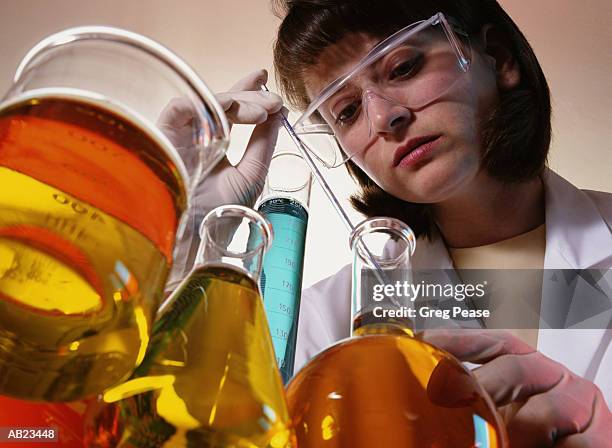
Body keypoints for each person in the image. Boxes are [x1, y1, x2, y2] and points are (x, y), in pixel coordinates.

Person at [167, 0, 612, 445]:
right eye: (346, 111)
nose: (384, 118)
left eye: (403, 67)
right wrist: (180, 241)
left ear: (498, 56)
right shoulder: (329, 319)